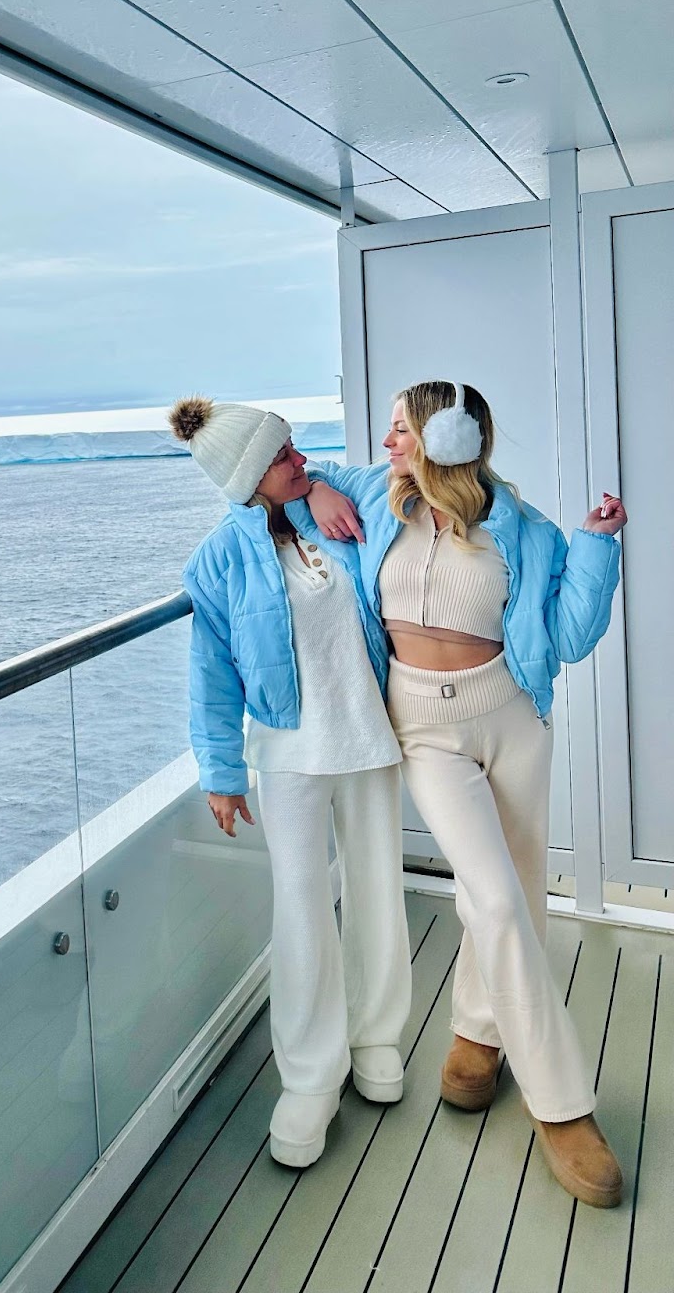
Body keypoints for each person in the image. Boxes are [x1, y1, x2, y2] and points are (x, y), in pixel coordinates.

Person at [300, 381, 627, 1208]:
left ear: (446, 438)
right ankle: (564, 1108)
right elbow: (282, 475)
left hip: (511, 720)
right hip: (425, 730)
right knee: (495, 899)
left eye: (401, 428)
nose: (387, 441)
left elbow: (569, 637)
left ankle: (478, 1038)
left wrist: (596, 546)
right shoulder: (374, 501)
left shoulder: (518, 525)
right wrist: (309, 485)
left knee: (515, 896)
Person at [171, 396, 411, 1169]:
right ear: (248, 478)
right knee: (302, 912)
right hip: (288, 756)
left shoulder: (332, 508)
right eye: (284, 457)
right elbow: (210, 673)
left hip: (369, 735)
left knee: (378, 890)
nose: (301, 460)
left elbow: (390, 473)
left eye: (297, 450)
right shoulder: (216, 562)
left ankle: (377, 1038)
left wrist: (314, 488)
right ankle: (311, 1077)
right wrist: (221, 770)